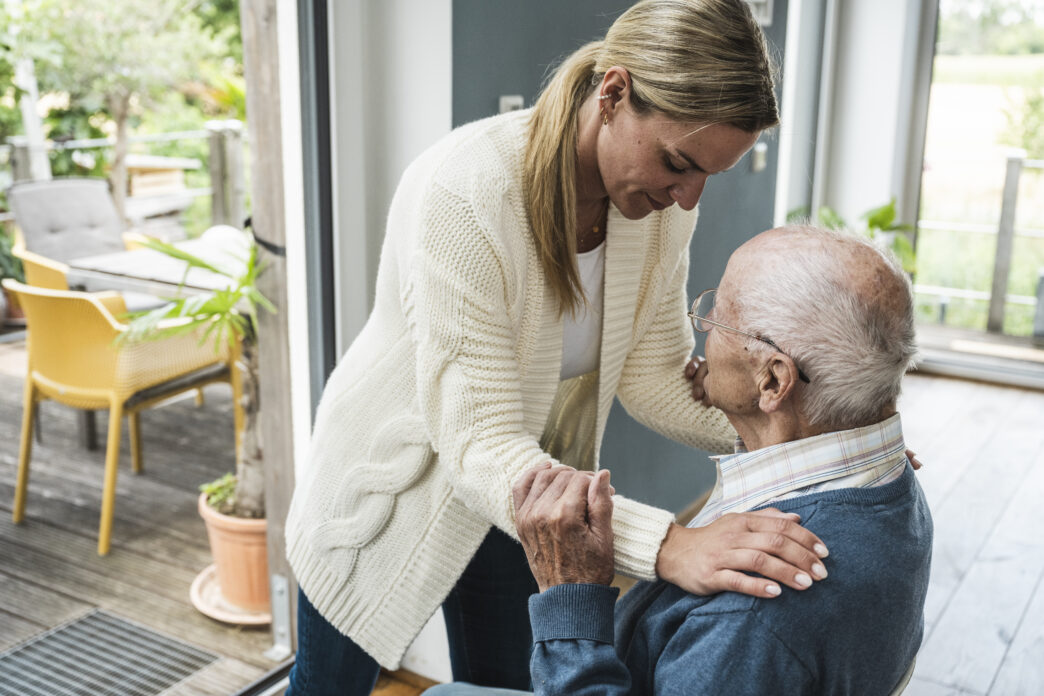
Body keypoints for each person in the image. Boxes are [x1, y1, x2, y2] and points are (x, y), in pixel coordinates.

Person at [284, 2, 834, 693]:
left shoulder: (653, 210)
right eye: (677, 163)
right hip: (392, 485)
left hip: (529, 494)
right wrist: (670, 546)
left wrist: (808, 436)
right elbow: (480, 443)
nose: (688, 198)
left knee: (511, 687)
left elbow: (655, 376)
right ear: (614, 93)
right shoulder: (465, 194)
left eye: (707, 177)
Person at [425, 225, 933, 695]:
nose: (702, 331)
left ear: (774, 381)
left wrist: (571, 599)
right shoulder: (892, 484)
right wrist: (741, 409)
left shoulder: (750, 616)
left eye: (717, 316)